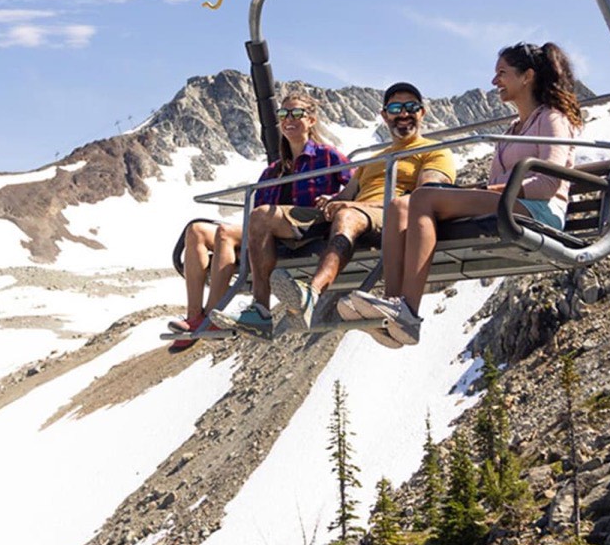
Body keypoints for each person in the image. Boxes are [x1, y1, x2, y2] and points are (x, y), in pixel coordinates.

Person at [340, 42, 583, 347]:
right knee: (400, 206)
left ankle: (408, 313)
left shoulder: (551, 118)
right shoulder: (513, 129)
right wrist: (482, 191)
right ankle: (392, 305)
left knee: (424, 196)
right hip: (509, 203)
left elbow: (548, 183)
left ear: (527, 76)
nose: (495, 81)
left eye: (502, 73)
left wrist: (488, 191)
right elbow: (500, 180)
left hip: (538, 210)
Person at [214, 82, 455, 337]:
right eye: (396, 108)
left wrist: (351, 205)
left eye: (411, 107)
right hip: (356, 211)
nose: (403, 114)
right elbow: (347, 194)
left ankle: (312, 293)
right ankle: (259, 310)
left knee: (347, 215)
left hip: (390, 213)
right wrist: (331, 201)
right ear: (385, 115)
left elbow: (425, 198)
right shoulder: (372, 159)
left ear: (422, 112)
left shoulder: (433, 150)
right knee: (262, 216)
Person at [169, 91, 350, 349]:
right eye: (284, 114)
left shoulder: (327, 156)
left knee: (241, 225)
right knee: (198, 231)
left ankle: (212, 316)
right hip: (271, 228)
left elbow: (355, 186)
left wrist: (333, 198)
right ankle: (195, 315)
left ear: (311, 119)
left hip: (308, 223)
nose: (290, 119)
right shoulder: (273, 170)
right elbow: (257, 218)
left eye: (297, 113)